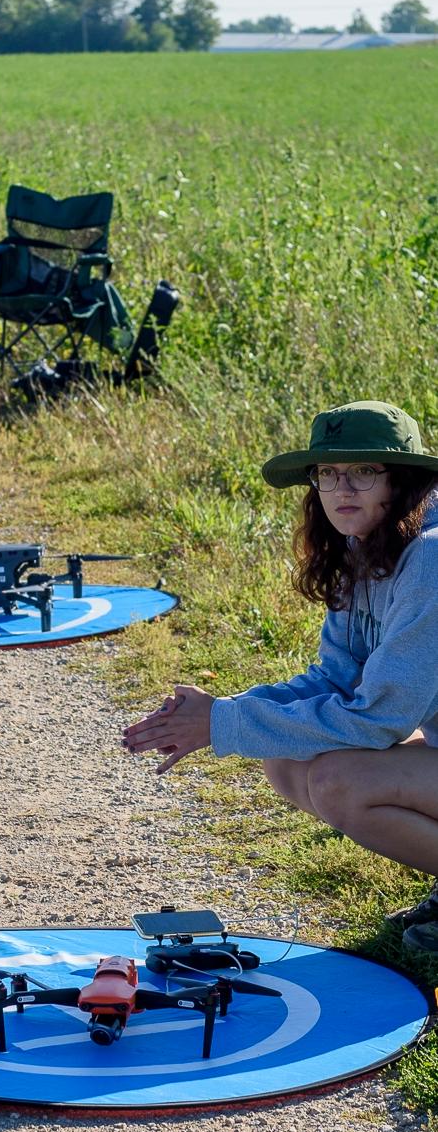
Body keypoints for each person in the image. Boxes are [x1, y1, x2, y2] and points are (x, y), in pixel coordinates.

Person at [122, 400, 438, 956]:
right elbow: (337, 678)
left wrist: (222, 723)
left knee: (342, 781)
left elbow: (378, 719)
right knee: (288, 761)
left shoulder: (431, 558)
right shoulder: (366, 545)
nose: (343, 487)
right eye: (327, 473)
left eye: (365, 471)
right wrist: (218, 712)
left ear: (404, 480)